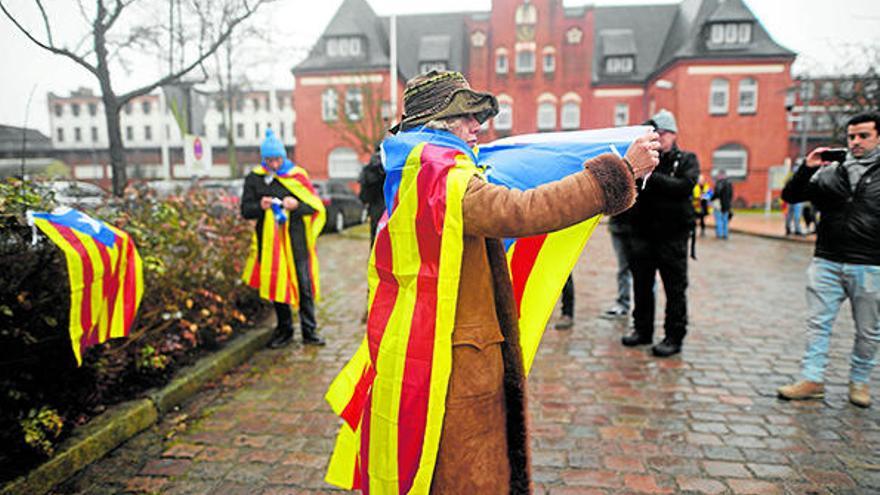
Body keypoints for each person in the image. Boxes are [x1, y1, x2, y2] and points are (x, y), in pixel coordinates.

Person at [324, 70, 660, 493]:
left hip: (414, 340)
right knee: (464, 475)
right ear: (438, 126)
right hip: (456, 358)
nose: (476, 127)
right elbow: (525, 210)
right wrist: (621, 170)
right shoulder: (446, 180)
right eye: (465, 118)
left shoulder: (412, 171)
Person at [777, 111, 880, 408]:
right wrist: (806, 169)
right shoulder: (831, 171)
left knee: (868, 330)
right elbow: (792, 195)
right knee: (818, 324)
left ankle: (859, 382)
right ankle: (812, 378)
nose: (856, 142)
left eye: (864, 136)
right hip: (827, 260)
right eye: (851, 137)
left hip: (870, 262)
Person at [621, 109, 699, 357]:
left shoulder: (686, 160)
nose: (659, 138)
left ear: (674, 134)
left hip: (672, 237)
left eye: (663, 134)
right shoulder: (642, 160)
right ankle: (642, 329)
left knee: (674, 288)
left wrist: (651, 176)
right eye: (654, 134)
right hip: (642, 234)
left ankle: (674, 336)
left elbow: (684, 187)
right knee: (642, 286)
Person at [241, 129, 327, 348]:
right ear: (263, 158)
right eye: (270, 160)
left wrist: (296, 205)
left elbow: (313, 206)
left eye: (278, 159)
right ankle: (284, 330)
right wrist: (260, 207)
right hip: (269, 244)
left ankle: (310, 331)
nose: (275, 164)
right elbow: (246, 210)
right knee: (277, 286)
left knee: (304, 285)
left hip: (296, 242)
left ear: (284, 156)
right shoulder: (255, 177)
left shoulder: (297, 176)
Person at [602, 208, 635, 318]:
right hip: (619, 226)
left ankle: (644, 310)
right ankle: (623, 303)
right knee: (623, 268)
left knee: (645, 271)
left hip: (640, 227)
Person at [358, 144, 386, 245]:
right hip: (393, 208)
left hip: (375, 210)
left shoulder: (368, 169)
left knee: (376, 242)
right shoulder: (395, 164)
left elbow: (363, 197)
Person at [712, 169, 733, 239]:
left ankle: (720, 234)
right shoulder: (729, 184)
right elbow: (731, 195)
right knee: (725, 220)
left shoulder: (719, 183)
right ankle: (725, 234)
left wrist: (710, 198)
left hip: (719, 205)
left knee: (719, 220)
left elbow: (716, 194)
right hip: (727, 205)